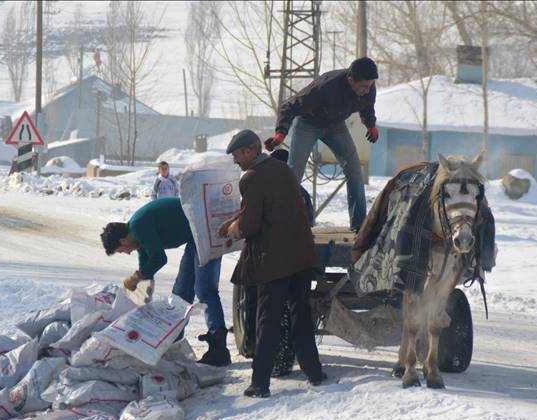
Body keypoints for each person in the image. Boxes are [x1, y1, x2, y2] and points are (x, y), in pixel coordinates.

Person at [220, 129, 325, 398]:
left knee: (268, 320)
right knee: (300, 315)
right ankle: (314, 372)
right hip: (300, 256)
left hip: (275, 261)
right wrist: (235, 220)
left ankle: (260, 383)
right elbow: (266, 207)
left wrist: (235, 229)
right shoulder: (282, 169)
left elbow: (251, 223)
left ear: (250, 151)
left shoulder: (252, 178)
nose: (235, 161)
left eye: (236, 155)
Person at [100, 197, 231, 366]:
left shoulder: (139, 226)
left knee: (204, 290)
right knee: (181, 292)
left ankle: (219, 348)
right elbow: (146, 261)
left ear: (123, 240)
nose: (126, 253)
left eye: (121, 250)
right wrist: (144, 291)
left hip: (206, 231)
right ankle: (174, 340)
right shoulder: (137, 234)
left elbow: (159, 258)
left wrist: (137, 276)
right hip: (195, 237)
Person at [263, 56, 380, 231]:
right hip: (308, 125)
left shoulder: (369, 89)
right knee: (293, 175)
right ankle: (282, 225)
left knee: (355, 171)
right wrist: (281, 133)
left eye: (370, 86)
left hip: (336, 126)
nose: (367, 90)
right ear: (350, 79)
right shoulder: (325, 87)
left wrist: (371, 125)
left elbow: (367, 106)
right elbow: (289, 106)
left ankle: (358, 226)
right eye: (363, 86)